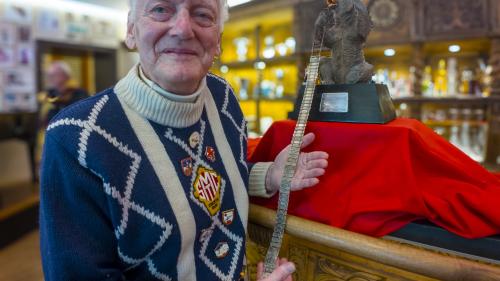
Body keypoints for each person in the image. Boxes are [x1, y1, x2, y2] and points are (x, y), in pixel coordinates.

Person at [39, 0, 329, 280]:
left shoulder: (222, 97)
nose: (182, 28)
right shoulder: (76, 136)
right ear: (130, 30)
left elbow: (203, 183)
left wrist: (269, 177)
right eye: (161, 9)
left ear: (218, 39)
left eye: (202, 13)